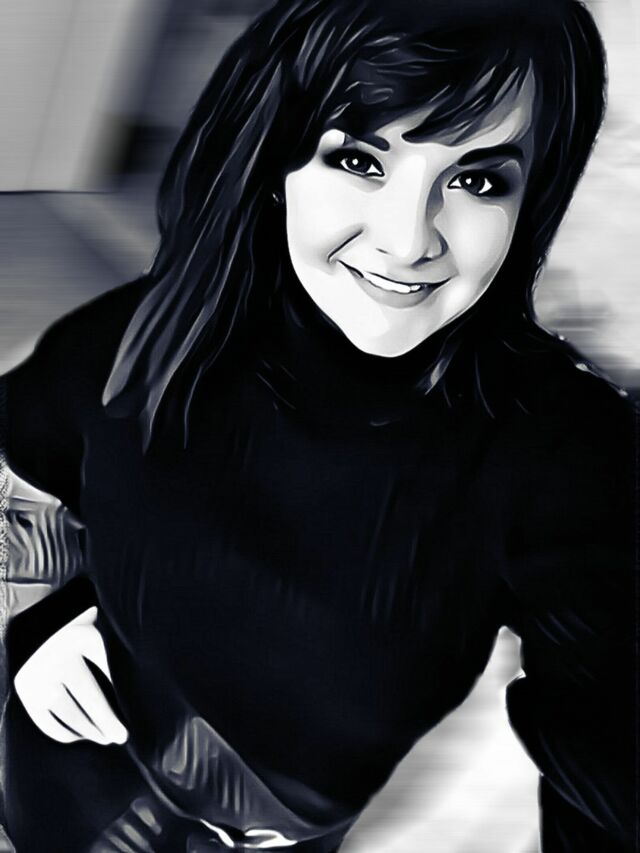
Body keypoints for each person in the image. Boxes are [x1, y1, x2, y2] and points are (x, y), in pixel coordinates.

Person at [1, 0, 635, 849]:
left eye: (478, 180)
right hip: (47, 783)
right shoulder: (140, 338)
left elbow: (609, 739)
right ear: (277, 158)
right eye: (360, 160)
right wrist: (39, 621)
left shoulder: (567, 452)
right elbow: (26, 472)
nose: (408, 241)